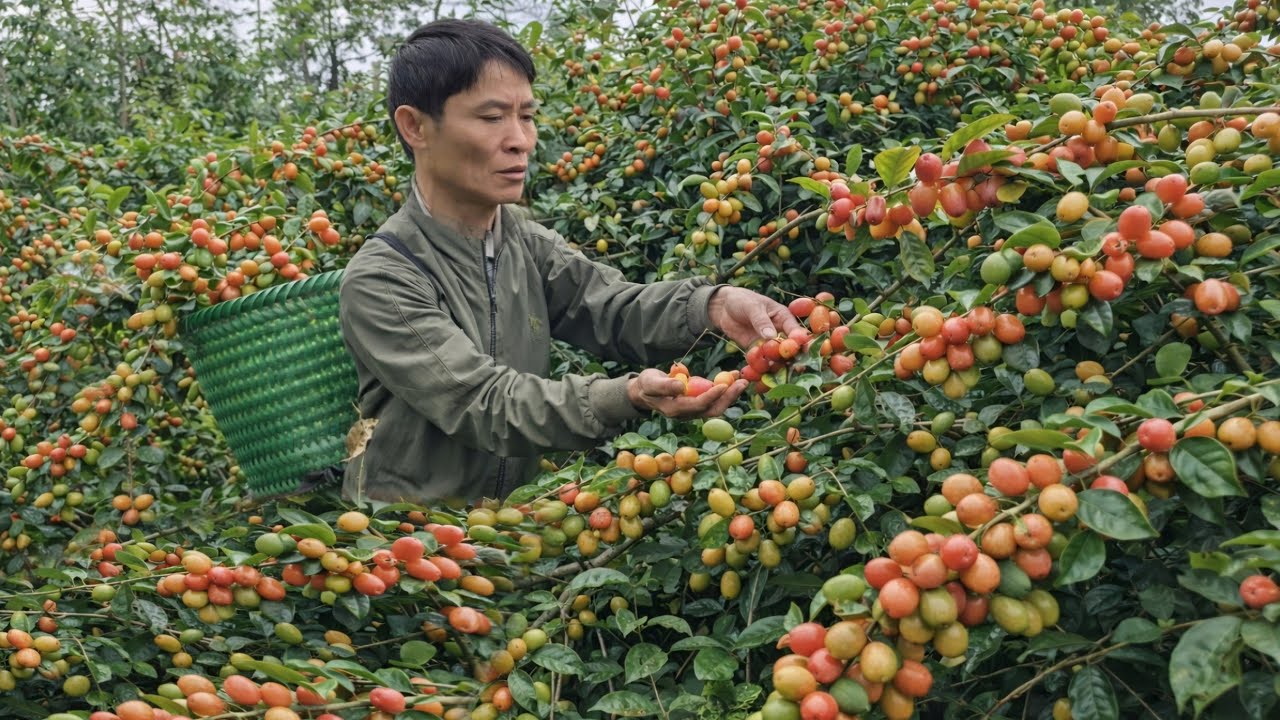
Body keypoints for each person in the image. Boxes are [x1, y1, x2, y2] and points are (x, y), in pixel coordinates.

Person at [338, 18, 800, 504]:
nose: (521, 140)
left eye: (527, 116)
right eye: (492, 118)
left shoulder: (520, 240)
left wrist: (712, 306)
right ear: (415, 127)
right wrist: (626, 396)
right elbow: (483, 403)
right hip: (400, 544)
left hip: (505, 525)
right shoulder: (383, 278)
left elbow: (613, 309)